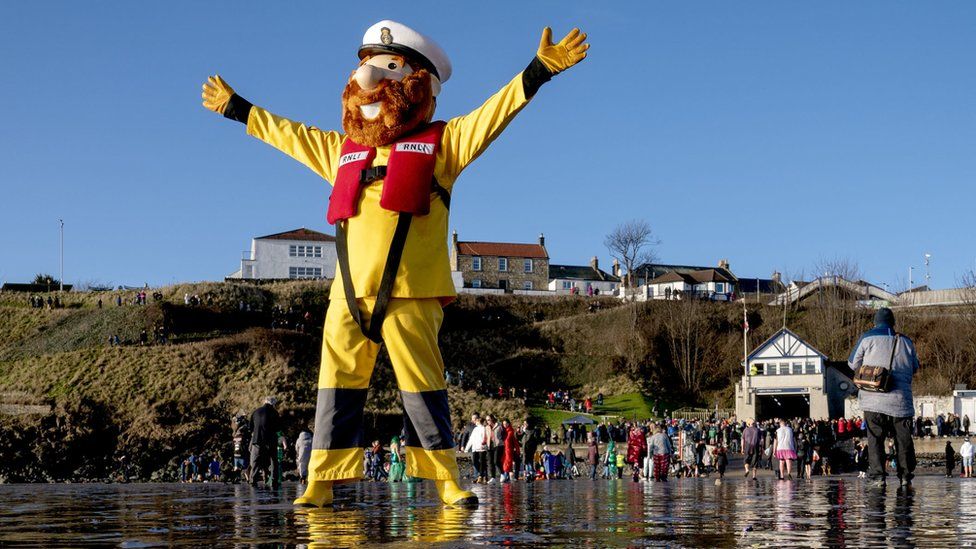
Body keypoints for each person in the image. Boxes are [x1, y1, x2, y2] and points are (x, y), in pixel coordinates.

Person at [203, 18, 588, 509]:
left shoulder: (442, 146)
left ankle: (445, 477)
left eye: (386, 71)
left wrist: (537, 71)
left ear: (420, 84)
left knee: (423, 387)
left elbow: (492, 116)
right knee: (334, 389)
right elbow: (290, 135)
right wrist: (239, 109)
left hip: (410, 291)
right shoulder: (342, 151)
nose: (368, 83)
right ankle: (321, 478)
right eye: (366, 70)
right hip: (347, 296)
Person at [850, 308, 921, 488]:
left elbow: (852, 364)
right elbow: (915, 367)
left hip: (873, 399)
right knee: (903, 438)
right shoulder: (906, 341)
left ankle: (878, 476)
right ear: (893, 322)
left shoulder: (866, 338)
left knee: (875, 437)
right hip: (901, 401)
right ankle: (905, 476)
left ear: (875, 321)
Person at [249, 396, 281, 488]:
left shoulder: (256, 412)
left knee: (255, 461)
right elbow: (278, 428)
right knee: (273, 460)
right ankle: (274, 480)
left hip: (257, 440)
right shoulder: (274, 413)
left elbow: (250, 427)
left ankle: (252, 480)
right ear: (273, 404)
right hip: (270, 440)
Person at [462, 413, 488, 483]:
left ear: (478, 421)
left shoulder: (483, 428)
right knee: (475, 462)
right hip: (475, 448)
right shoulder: (475, 429)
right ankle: (482, 475)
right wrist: (466, 449)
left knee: (482, 463)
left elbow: (485, 437)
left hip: (482, 448)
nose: (475, 422)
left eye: (476, 421)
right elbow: (471, 439)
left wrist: (485, 444)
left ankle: (481, 476)